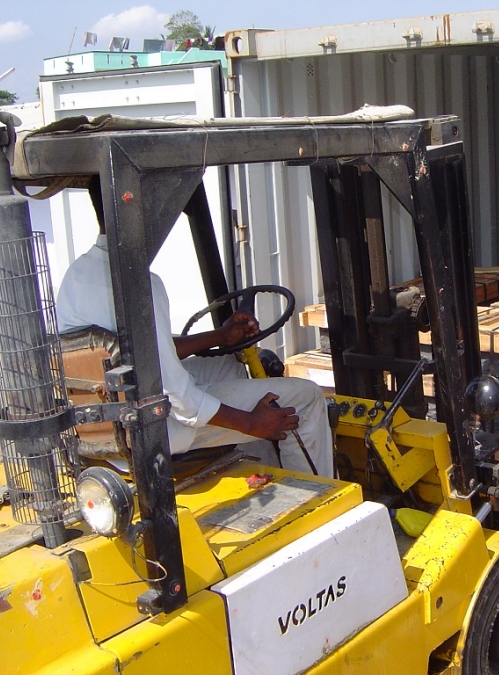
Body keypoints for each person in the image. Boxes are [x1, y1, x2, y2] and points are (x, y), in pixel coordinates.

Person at [56, 177, 332, 477]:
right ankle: (315, 493)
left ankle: (260, 469)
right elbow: (178, 395)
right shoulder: (139, 284)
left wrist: (220, 336)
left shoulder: (78, 273)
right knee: (305, 397)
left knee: (230, 365)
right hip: (153, 427)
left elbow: (143, 351)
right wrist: (252, 423)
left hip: (110, 415)